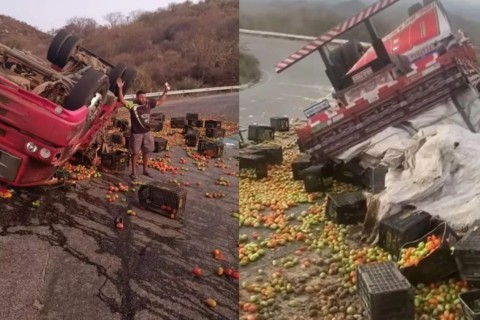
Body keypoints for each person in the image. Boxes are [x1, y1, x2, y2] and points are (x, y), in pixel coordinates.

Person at [116, 78, 170, 179]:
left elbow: (159, 101)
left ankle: (145, 170)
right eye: (141, 97)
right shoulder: (132, 105)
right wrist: (120, 89)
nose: (143, 99)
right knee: (135, 152)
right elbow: (122, 100)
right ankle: (133, 172)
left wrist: (165, 92)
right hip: (136, 133)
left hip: (147, 132)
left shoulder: (148, 103)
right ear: (137, 97)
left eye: (145, 97)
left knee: (146, 151)